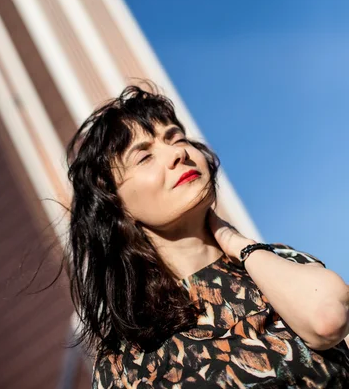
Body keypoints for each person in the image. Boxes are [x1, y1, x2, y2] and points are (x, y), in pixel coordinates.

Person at [66, 84, 349, 388]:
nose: (178, 153)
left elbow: (326, 320)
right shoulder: (124, 362)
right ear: (117, 205)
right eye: (144, 157)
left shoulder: (275, 261)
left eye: (176, 138)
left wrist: (237, 244)